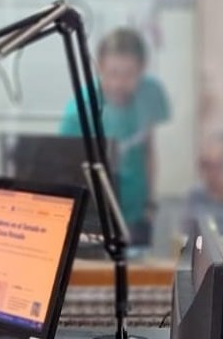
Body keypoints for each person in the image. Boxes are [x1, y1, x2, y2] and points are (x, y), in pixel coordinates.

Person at [58, 27, 170, 245]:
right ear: (99, 67)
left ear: (142, 69)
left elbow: (149, 148)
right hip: (96, 216)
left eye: (129, 74)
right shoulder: (79, 111)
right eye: (113, 73)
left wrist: (150, 204)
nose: (119, 83)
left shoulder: (151, 93)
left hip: (138, 211)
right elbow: (66, 173)